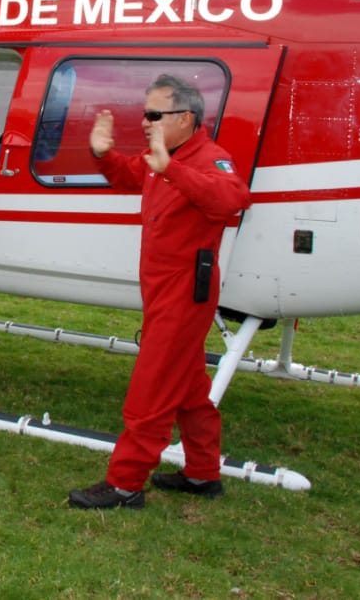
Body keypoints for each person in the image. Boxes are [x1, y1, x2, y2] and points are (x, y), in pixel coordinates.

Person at [68, 74, 251, 509]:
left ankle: (125, 483)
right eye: (144, 114)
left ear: (185, 118)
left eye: (153, 114)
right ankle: (202, 473)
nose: (145, 122)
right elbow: (127, 175)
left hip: (184, 291)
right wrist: (103, 153)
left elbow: (232, 200)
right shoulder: (164, 157)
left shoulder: (207, 158)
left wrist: (172, 169)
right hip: (164, 289)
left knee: (152, 388)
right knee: (188, 386)